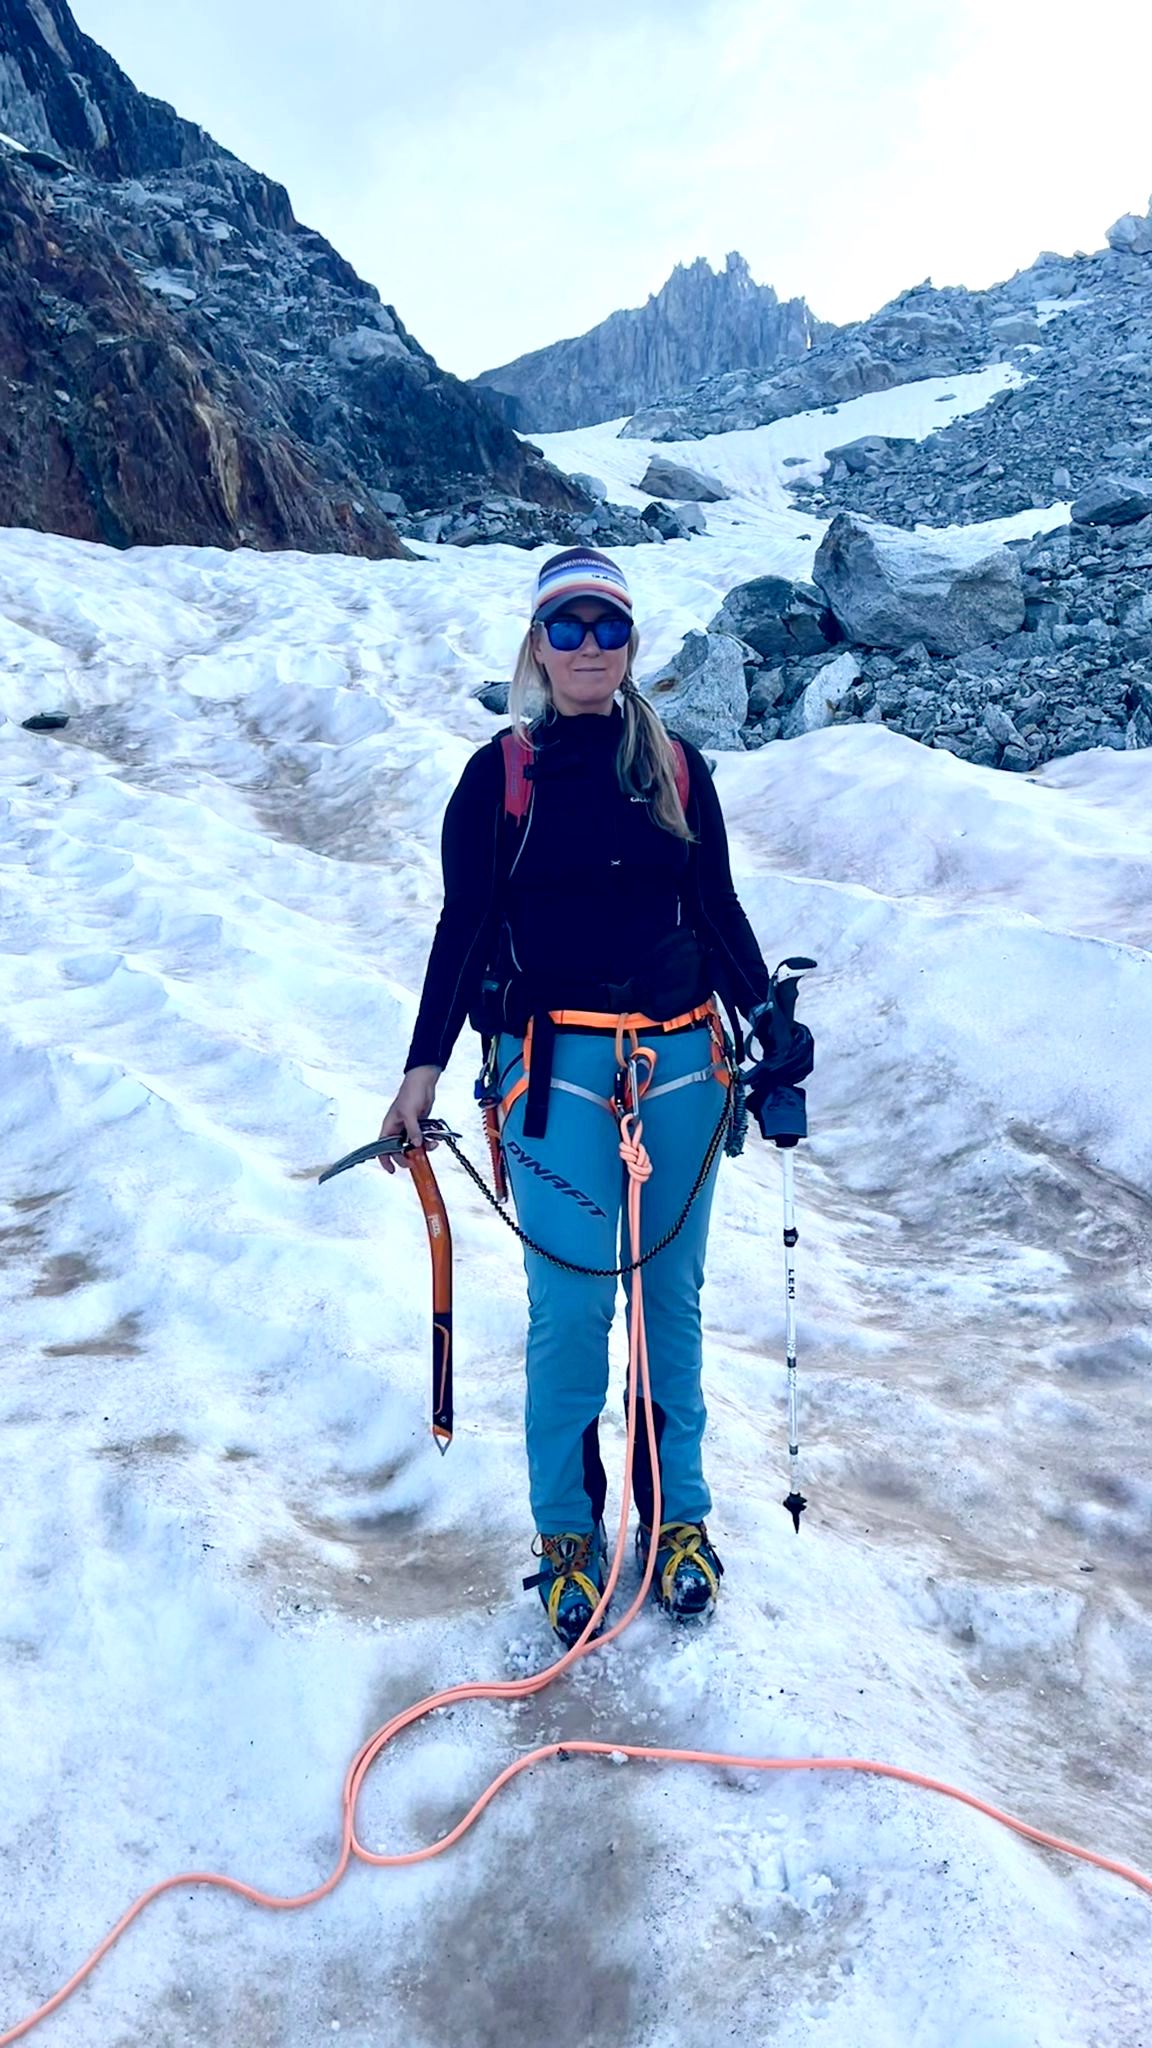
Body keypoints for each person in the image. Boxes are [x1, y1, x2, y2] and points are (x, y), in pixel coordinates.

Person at [378, 546, 775, 1645]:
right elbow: (463, 932)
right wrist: (423, 1068)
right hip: (549, 1078)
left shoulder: (678, 768)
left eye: (608, 627)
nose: (590, 646)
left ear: (631, 643)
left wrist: (769, 1022)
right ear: (538, 641)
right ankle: (567, 1532)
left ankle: (677, 1518)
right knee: (573, 1308)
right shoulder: (498, 776)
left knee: (669, 1308)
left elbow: (719, 915)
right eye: (570, 626)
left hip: (684, 1068)